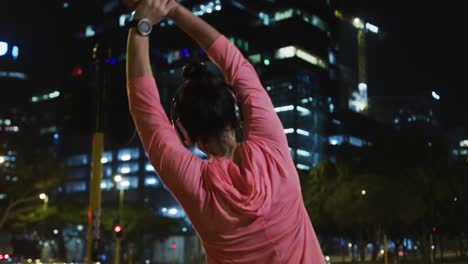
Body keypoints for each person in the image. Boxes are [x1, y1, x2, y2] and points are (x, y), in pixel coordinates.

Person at [126, 0, 326, 262]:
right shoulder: (273, 149)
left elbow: (145, 108)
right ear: (236, 114)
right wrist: (173, 9)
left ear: (186, 136)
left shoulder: (196, 186)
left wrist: (141, 24)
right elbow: (235, 63)